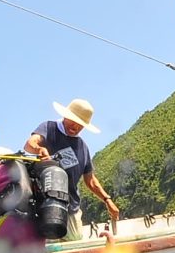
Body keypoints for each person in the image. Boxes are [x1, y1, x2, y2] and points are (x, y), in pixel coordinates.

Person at [25, 97, 120, 235]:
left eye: (81, 124)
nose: (75, 127)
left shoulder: (82, 147)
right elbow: (29, 144)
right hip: (46, 207)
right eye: (73, 120)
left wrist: (107, 200)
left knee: (74, 245)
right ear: (65, 115)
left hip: (71, 211)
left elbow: (91, 180)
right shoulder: (49, 128)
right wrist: (39, 149)